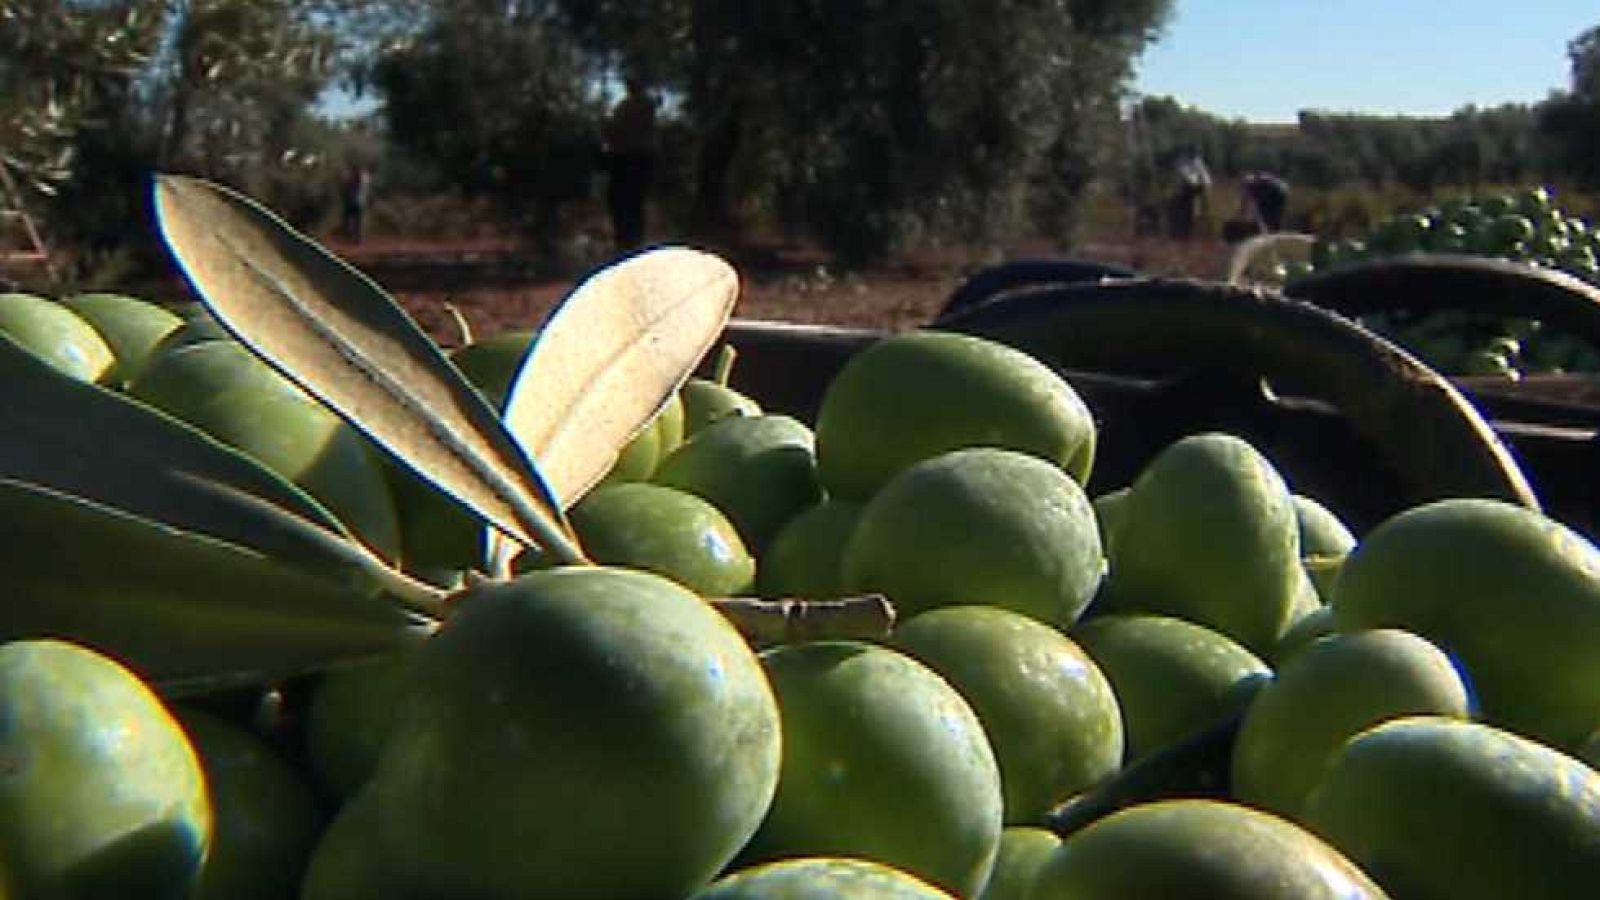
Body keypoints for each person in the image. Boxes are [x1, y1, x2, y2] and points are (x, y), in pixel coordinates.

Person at [601, 76, 659, 253]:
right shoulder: (643, 106)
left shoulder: (627, 107)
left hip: (626, 160)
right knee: (632, 203)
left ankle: (627, 242)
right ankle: (631, 242)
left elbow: (613, 132)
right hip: (636, 160)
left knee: (624, 203)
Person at [1168, 146, 1212, 240]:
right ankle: (1180, 233)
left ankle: (1181, 233)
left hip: (1186, 191)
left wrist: (1198, 183)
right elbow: (1202, 178)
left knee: (1183, 212)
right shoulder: (1186, 161)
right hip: (1186, 191)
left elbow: (1198, 177)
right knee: (1183, 212)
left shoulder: (1188, 161)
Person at [340, 163, 372, 244]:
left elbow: (346, 184)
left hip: (353, 201)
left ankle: (352, 236)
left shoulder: (354, 180)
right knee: (357, 221)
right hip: (360, 202)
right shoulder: (364, 178)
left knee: (350, 219)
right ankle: (357, 238)